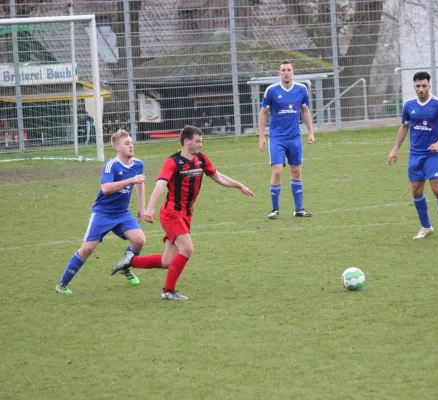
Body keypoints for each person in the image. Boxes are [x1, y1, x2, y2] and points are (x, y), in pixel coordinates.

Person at [110, 125, 254, 300]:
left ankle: (129, 261)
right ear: (187, 142)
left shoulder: (201, 160)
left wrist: (239, 186)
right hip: (171, 214)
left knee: (167, 261)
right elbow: (161, 184)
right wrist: (149, 208)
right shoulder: (173, 162)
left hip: (186, 214)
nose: (201, 145)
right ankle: (168, 291)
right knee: (187, 249)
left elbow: (217, 176)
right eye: (198, 141)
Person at [55, 129, 146, 295]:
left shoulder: (138, 164)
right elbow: (105, 189)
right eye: (127, 143)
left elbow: (140, 181)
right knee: (88, 248)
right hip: (103, 213)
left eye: (131, 142)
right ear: (117, 148)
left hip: (122, 213)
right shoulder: (111, 165)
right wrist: (130, 180)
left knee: (139, 240)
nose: (131, 145)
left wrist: (142, 206)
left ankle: (125, 266)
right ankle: (62, 284)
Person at [388, 71, 438, 240]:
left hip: (433, 155)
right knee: (416, 191)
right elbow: (404, 127)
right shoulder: (408, 105)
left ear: (429, 86)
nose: (421, 89)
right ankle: (426, 227)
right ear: (414, 86)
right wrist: (395, 149)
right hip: (415, 155)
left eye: (424, 86)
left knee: (437, 190)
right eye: (417, 86)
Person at [258, 60, 315, 219]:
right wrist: (262, 136)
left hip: (294, 137)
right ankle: (275, 208)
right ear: (279, 73)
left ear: (293, 72)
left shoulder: (302, 89)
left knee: (296, 171)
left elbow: (305, 111)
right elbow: (263, 113)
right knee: (277, 172)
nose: (286, 72)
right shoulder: (271, 91)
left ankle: (299, 209)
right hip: (277, 137)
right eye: (283, 70)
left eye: (289, 69)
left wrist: (311, 132)